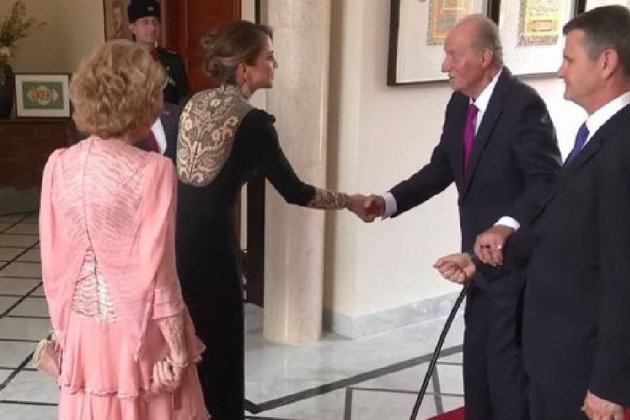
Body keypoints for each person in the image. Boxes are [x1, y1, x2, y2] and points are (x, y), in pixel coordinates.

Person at [358, 14, 561, 420]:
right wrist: (388, 201)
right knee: (477, 370)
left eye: (453, 54)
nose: (444, 65)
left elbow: (546, 181)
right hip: (476, 265)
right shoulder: (459, 103)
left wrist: (506, 227)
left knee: (506, 377)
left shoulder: (524, 105)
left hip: (514, 264)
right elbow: (441, 167)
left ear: (485, 57)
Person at [435, 6, 630, 419]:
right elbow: (560, 233)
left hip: (579, 365)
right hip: (550, 351)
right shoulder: (594, 133)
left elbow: (622, 276)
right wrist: (478, 261)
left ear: (607, 62)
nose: (560, 71)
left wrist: (609, 385)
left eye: (569, 59)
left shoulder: (622, 149)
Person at [174, 20, 368, 419]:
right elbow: (296, 192)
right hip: (214, 257)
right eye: (269, 57)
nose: (275, 64)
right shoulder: (255, 124)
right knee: (222, 354)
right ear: (245, 69)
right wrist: (349, 200)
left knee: (188, 349)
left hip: (176, 248)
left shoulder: (193, 103)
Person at [39, 40, 207, 420]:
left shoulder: (58, 164)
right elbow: (160, 276)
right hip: (139, 335)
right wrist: (179, 352)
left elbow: (53, 268)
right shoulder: (154, 170)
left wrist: (63, 335)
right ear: (146, 99)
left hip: (84, 332)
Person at [127, 0, 189, 105]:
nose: (152, 28)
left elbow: (184, 98)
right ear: (133, 28)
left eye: (155, 22)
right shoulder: (124, 61)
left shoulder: (173, 60)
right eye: (145, 22)